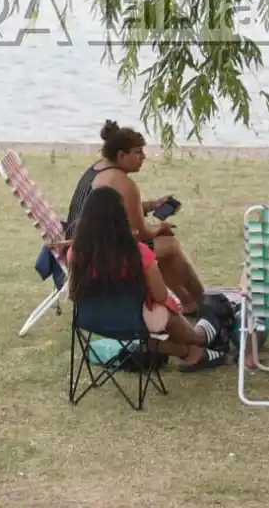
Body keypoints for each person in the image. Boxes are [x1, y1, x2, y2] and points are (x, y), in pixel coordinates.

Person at [69, 186, 227, 372]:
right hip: (134, 322)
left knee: (154, 318)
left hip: (90, 320)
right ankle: (201, 339)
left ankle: (191, 352)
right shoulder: (137, 253)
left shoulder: (75, 253)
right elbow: (159, 295)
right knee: (163, 309)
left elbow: (74, 292)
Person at [75, 120, 205, 314]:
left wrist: (152, 205)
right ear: (121, 155)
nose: (143, 157)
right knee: (169, 244)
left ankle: (190, 301)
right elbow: (141, 234)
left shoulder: (98, 171)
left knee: (164, 247)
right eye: (138, 152)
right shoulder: (125, 183)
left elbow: (113, 208)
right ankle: (201, 299)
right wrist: (160, 228)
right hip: (105, 255)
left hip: (82, 246)